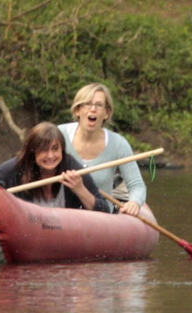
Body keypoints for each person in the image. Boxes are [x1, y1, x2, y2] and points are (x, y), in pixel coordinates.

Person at [0, 122, 112, 213]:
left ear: (62, 149)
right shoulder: (16, 167)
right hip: (29, 228)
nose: (50, 156)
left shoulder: (70, 166)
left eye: (55, 149)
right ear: (32, 152)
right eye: (43, 150)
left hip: (65, 233)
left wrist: (80, 189)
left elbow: (104, 210)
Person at [58, 83, 146, 216]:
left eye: (99, 105)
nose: (93, 109)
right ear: (77, 110)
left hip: (101, 217)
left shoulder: (118, 144)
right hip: (61, 214)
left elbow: (137, 185)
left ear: (106, 113)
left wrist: (134, 202)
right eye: (87, 104)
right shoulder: (59, 135)